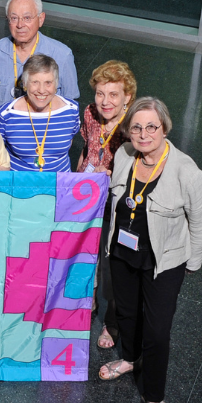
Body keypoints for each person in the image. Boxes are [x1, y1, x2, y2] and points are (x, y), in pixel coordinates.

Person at [98, 97, 202, 403]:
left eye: (151, 126)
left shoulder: (188, 173)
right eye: (136, 127)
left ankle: (154, 394)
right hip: (122, 252)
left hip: (164, 261)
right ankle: (130, 358)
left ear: (164, 128)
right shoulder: (124, 156)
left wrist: (193, 262)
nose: (143, 134)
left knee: (158, 331)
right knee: (127, 314)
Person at [76, 61, 137, 350]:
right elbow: (88, 149)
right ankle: (85, 305)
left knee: (113, 261)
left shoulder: (133, 125)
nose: (105, 101)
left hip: (116, 201)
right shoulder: (89, 113)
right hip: (87, 196)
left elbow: (141, 169)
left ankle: (111, 323)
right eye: (101, 93)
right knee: (85, 252)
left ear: (127, 97)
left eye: (113, 95)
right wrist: (75, 183)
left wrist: (112, 175)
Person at [0, 0, 79, 118]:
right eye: (14, 18)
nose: (20, 25)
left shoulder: (62, 55)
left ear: (41, 19)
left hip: (42, 134)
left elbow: (69, 104)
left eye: (27, 18)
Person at [0, 54, 80, 172]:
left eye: (48, 82)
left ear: (56, 84)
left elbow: (69, 140)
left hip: (59, 186)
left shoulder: (71, 110)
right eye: (35, 82)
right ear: (24, 84)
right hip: (20, 186)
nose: (42, 90)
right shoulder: (5, 115)